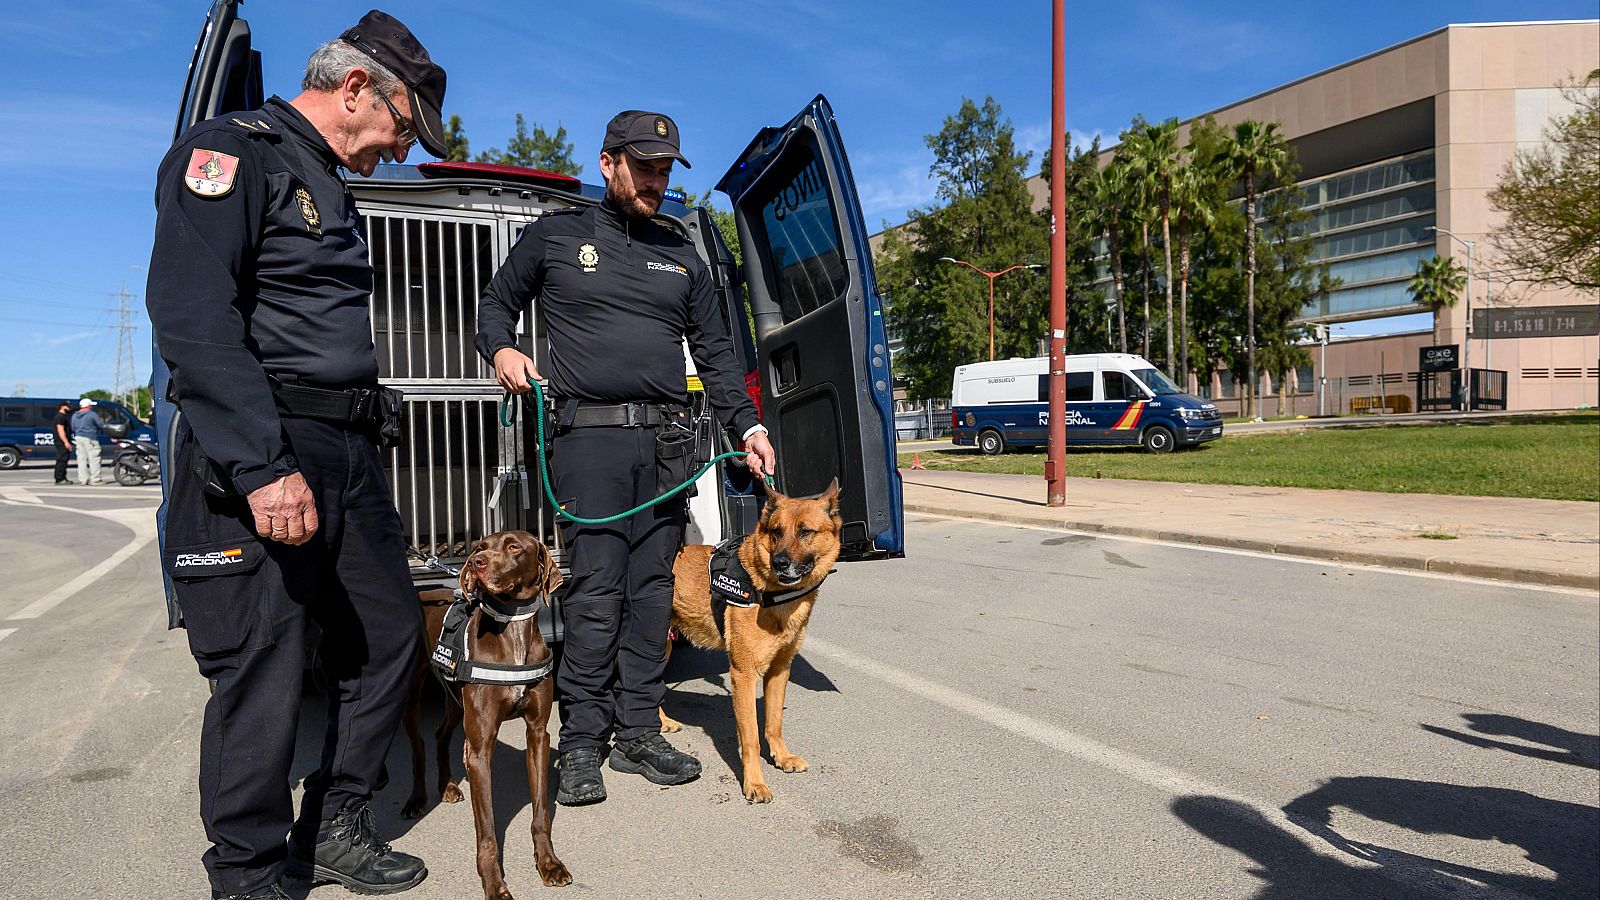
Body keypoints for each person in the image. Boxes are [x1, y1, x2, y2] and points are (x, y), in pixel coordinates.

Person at [144, 11, 449, 900]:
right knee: (264, 669)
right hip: (266, 447)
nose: (399, 150)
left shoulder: (325, 178)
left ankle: (334, 828)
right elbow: (195, 319)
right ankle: (246, 876)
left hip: (346, 451)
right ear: (356, 87)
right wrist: (262, 465)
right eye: (401, 126)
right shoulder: (234, 152)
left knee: (391, 637)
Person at [475, 110, 777, 807]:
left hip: (669, 445)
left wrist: (749, 427)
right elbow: (496, 304)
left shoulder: (682, 254)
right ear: (608, 162)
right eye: (643, 166)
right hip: (591, 443)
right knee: (597, 593)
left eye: (665, 169)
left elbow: (718, 358)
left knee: (651, 596)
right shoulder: (557, 236)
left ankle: (639, 728)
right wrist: (503, 350)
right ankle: (581, 741)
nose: (655, 180)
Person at [70, 398, 105, 485]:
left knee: (81, 459)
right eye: (91, 405)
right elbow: (101, 424)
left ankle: (83, 479)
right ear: (88, 406)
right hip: (90, 438)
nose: (92, 407)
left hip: (78, 437)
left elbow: (73, 427)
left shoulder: (75, 415)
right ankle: (95, 479)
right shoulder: (92, 414)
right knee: (94, 458)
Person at [52, 400, 73, 485]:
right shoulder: (60, 417)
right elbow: (60, 430)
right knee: (62, 460)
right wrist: (66, 442)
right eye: (68, 406)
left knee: (64, 459)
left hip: (63, 441)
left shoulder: (64, 416)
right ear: (63, 406)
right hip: (61, 441)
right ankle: (59, 478)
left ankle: (63, 477)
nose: (69, 408)